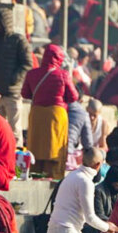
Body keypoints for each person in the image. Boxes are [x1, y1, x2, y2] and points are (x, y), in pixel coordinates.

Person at [22, 44, 77, 179]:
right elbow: (74, 97)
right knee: (54, 150)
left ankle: (35, 175)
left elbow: (25, 93)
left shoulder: (31, 74)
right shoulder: (63, 75)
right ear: (59, 58)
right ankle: (54, 177)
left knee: (36, 147)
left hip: (37, 114)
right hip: (56, 115)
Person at [0, 8, 33, 146]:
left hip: (12, 94)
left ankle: (16, 162)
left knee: (14, 130)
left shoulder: (18, 41)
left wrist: (14, 79)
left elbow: (27, 64)